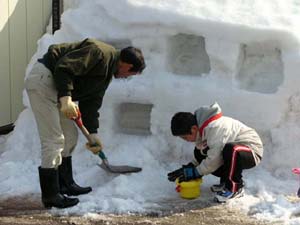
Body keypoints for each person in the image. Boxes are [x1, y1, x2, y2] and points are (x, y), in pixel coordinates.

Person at [25, 38, 146, 208]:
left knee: (70, 136)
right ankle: (51, 195)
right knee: (53, 140)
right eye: (129, 74)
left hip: (57, 87)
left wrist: (93, 133)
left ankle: (65, 184)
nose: (126, 77)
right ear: (125, 64)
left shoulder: (107, 73)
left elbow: (92, 103)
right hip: (44, 80)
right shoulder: (99, 52)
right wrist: (66, 97)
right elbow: (64, 67)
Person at [167, 102, 263, 203]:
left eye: (185, 137)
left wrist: (195, 172)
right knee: (200, 152)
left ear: (194, 128)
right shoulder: (202, 131)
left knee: (231, 149)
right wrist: (190, 167)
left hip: (251, 151)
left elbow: (214, 159)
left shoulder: (216, 127)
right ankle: (226, 183)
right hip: (234, 152)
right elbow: (204, 157)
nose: (185, 140)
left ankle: (234, 188)